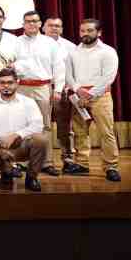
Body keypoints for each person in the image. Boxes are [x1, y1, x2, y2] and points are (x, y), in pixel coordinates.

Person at [64, 19, 120, 181]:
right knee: (80, 132)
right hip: (78, 96)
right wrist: (78, 90)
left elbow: (108, 77)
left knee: (106, 132)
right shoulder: (73, 51)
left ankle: (111, 166)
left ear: (99, 32)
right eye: (82, 31)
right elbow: (69, 74)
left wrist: (89, 94)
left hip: (100, 96)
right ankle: (82, 164)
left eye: (89, 30)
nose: (85, 34)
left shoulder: (108, 51)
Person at [13, 10, 65, 176]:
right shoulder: (16, 42)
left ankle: (47, 162)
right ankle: (23, 161)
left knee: (45, 126)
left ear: (40, 24)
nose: (32, 24)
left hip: (43, 87)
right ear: (23, 24)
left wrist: (57, 90)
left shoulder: (50, 43)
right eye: (28, 21)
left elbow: (59, 67)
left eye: (35, 21)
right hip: (20, 88)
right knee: (21, 125)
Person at [0, 68, 49, 192]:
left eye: (10, 82)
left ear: (17, 83)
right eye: (2, 83)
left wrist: (17, 135)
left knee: (41, 140)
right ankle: (6, 171)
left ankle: (31, 177)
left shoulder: (28, 102)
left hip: (22, 145)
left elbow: (38, 125)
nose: (6, 86)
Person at [43, 16, 78, 166]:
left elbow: (76, 69)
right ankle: (42, 159)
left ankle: (67, 157)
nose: (54, 28)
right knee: (39, 125)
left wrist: (71, 86)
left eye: (57, 26)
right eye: (50, 25)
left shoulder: (70, 47)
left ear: (62, 29)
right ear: (43, 28)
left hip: (62, 89)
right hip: (41, 88)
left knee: (64, 125)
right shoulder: (37, 43)